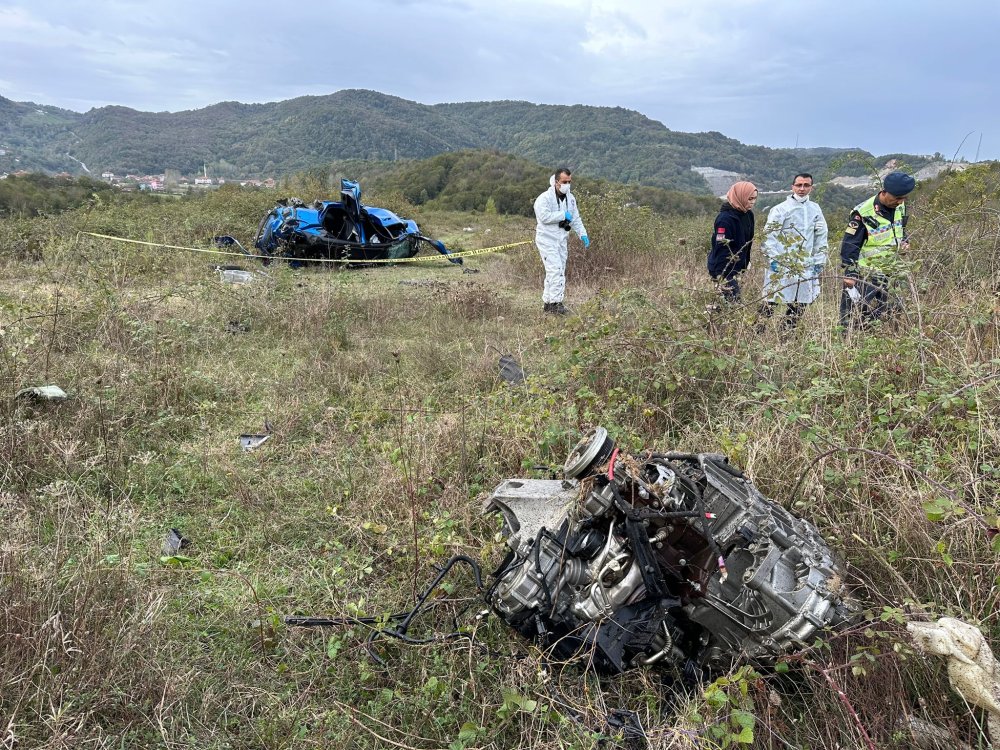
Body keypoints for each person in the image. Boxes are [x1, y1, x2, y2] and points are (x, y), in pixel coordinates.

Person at [839, 171, 915, 328]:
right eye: (897, 198)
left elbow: (900, 229)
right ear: (884, 192)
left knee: (887, 310)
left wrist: (905, 241)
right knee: (852, 312)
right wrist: (850, 274)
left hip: (891, 270)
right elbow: (849, 246)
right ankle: (848, 343)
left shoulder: (900, 207)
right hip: (865, 273)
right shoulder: (863, 214)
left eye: (904, 198)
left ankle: (873, 335)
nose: (900, 202)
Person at [760, 173, 829, 328]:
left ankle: (786, 333)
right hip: (782, 263)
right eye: (799, 185)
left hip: (805, 264)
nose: (802, 189)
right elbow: (769, 236)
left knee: (800, 303)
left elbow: (821, 236)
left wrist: (819, 260)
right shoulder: (780, 209)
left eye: (806, 185)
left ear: (811, 187)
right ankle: (757, 332)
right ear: (792, 187)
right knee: (772, 301)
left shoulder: (815, 209)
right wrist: (773, 260)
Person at [534, 167, 589, 315]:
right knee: (555, 269)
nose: (567, 185)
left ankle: (548, 303)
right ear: (557, 181)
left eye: (569, 182)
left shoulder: (571, 199)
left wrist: (582, 234)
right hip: (546, 239)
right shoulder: (544, 198)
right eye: (565, 182)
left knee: (558, 270)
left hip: (561, 239)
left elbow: (576, 218)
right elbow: (544, 217)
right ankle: (556, 303)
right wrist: (562, 215)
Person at [708, 181, 757, 302]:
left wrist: (745, 263)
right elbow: (721, 245)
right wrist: (721, 274)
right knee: (733, 301)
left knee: (725, 303)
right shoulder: (725, 219)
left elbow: (747, 242)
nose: (752, 202)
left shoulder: (748, 214)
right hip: (723, 268)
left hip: (737, 266)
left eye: (754, 199)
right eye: (749, 198)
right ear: (739, 196)